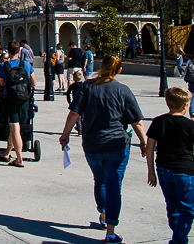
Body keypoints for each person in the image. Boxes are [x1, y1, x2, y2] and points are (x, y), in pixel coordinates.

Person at [59, 54, 147, 244]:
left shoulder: (87, 87)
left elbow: (74, 112)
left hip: (92, 144)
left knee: (100, 180)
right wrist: (144, 141)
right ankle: (111, 232)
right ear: (119, 70)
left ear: (101, 66)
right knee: (114, 186)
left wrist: (65, 134)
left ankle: (104, 214)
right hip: (117, 144)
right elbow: (136, 121)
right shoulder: (123, 90)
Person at [146, 86, 194, 244]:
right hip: (185, 170)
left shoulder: (159, 121)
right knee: (187, 208)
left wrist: (151, 171)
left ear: (167, 102)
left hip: (163, 169)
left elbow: (150, 148)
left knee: (172, 207)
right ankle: (178, 240)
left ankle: (178, 236)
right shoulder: (189, 125)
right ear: (185, 106)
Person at [0, 41, 36, 167]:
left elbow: (2, 83)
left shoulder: (4, 66)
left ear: (8, 51)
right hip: (24, 99)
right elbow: (33, 81)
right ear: (19, 51)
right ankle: (7, 152)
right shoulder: (26, 64)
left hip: (11, 99)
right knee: (17, 127)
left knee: (15, 129)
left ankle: (19, 159)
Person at [66, 70, 84, 135]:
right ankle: (82, 128)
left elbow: (68, 93)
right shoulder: (83, 85)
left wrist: (69, 102)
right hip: (83, 102)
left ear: (74, 78)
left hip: (75, 102)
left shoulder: (73, 85)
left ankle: (79, 129)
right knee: (82, 117)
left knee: (77, 117)